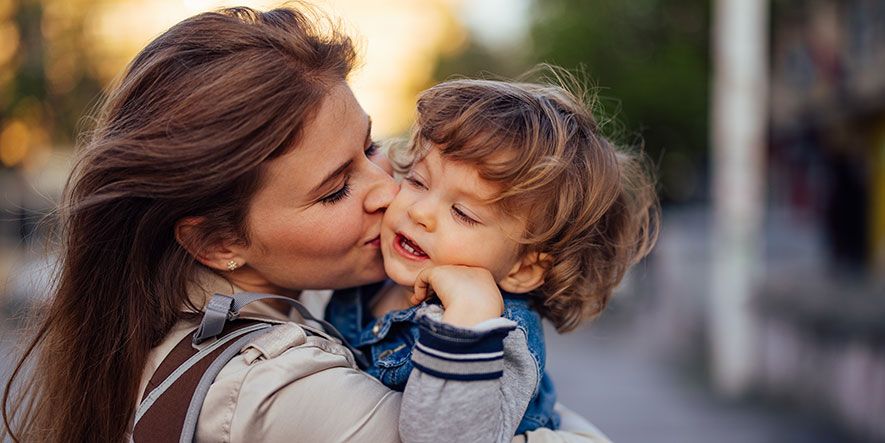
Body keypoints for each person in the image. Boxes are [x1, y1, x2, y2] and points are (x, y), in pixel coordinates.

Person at [1, 5, 611, 443]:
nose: (391, 193)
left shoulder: (167, 320)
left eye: (373, 149)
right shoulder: (279, 394)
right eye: (336, 189)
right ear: (219, 241)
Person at [326, 76, 660, 436]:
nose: (420, 212)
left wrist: (469, 312)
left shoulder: (498, 339)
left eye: (463, 213)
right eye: (418, 182)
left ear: (523, 268)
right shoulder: (369, 276)